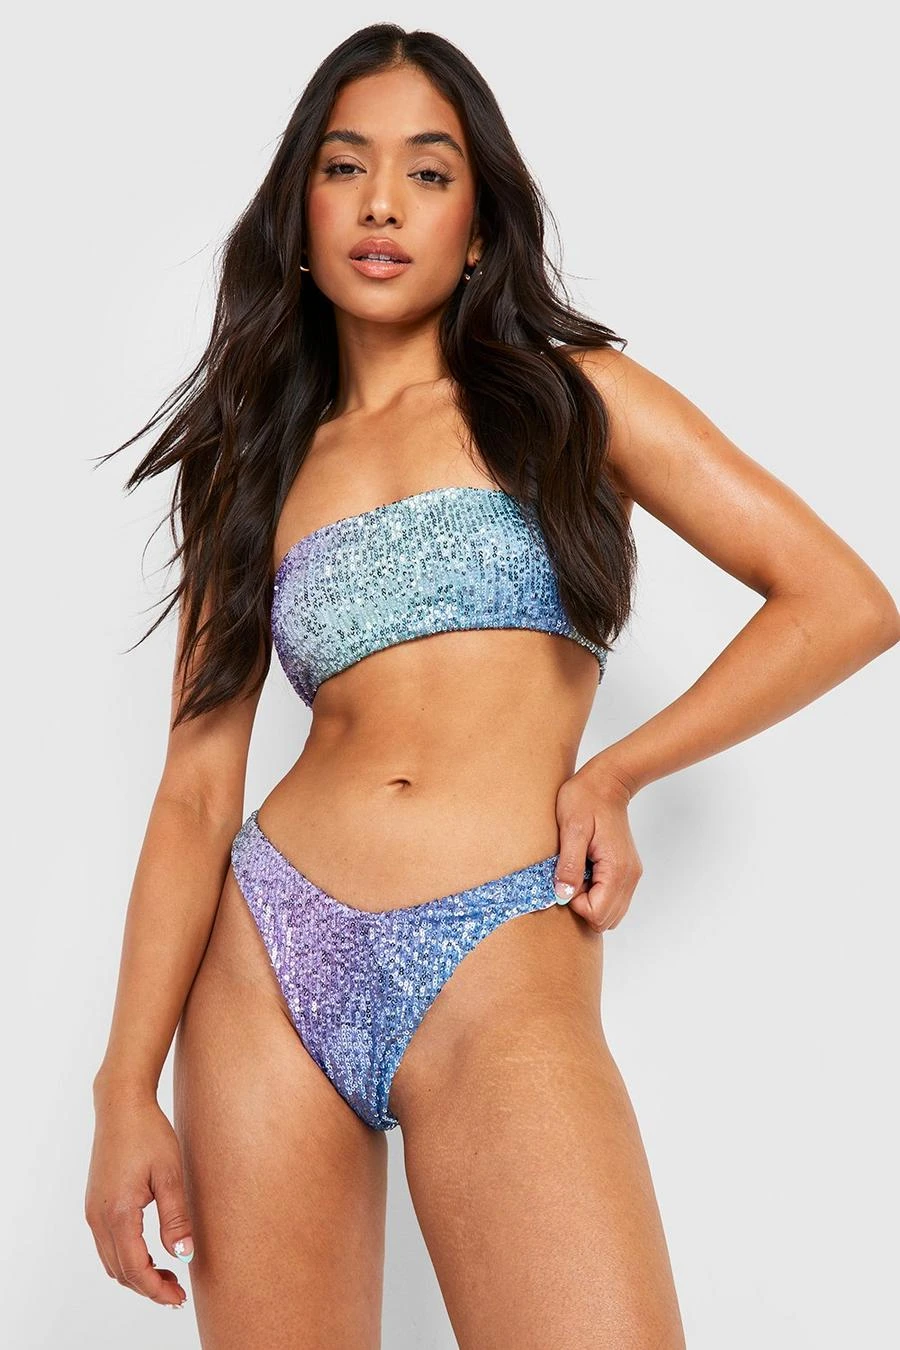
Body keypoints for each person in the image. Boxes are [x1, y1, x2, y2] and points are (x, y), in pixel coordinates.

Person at [83, 23, 900, 1349]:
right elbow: (193, 791)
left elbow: (843, 600)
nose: (383, 203)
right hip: (268, 963)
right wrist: (123, 1086)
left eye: (427, 171)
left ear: (477, 228)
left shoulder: (577, 400)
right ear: (301, 215)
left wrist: (619, 771)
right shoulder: (254, 462)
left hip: (500, 943)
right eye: (345, 167)